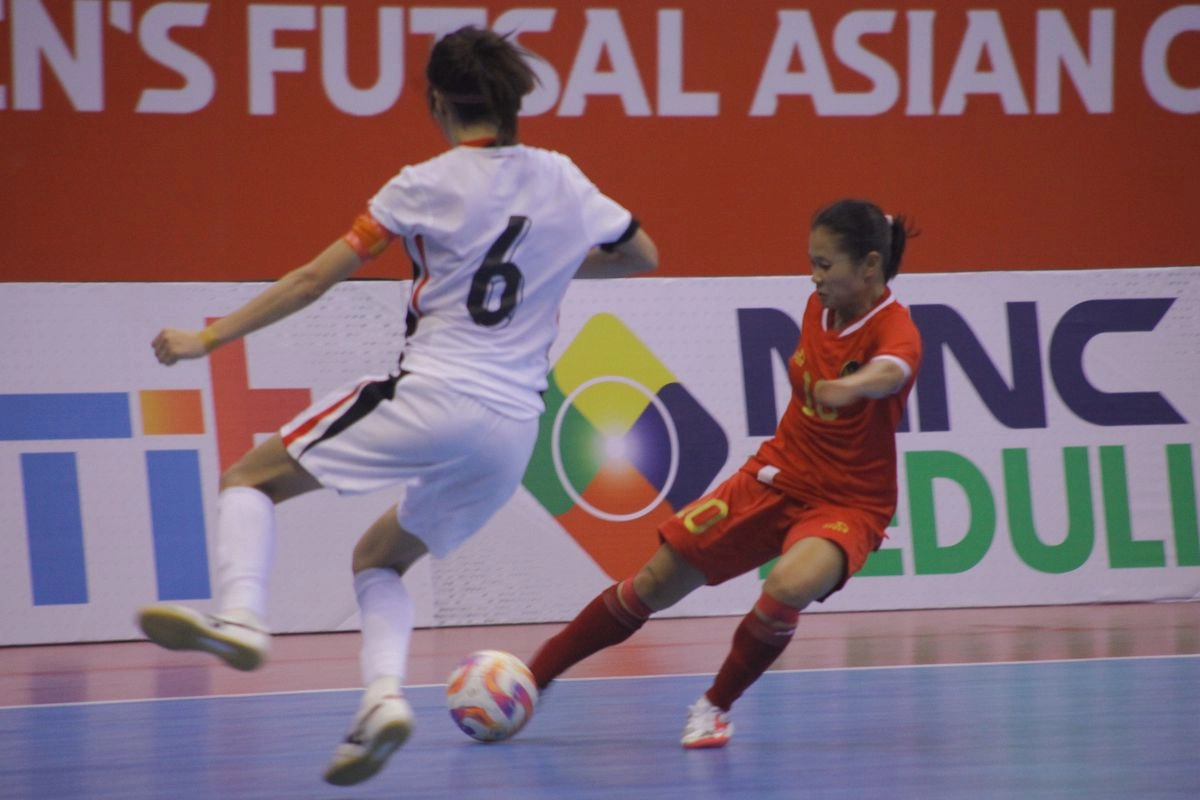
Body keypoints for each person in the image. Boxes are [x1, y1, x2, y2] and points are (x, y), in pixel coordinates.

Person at [137, 25, 657, 787]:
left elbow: (315, 280)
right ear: (513, 104)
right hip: (513, 432)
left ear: (436, 100)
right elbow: (643, 254)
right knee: (379, 561)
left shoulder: (422, 182)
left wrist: (206, 339)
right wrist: (553, 270)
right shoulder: (564, 178)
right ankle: (382, 698)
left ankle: (241, 616)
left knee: (249, 478)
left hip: (435, 392)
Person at [524, 198, 921, 749]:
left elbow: (891, 370)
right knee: (652, 585)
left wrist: (851, 387)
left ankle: (714, 707)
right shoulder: (819, 306)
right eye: (812, 261)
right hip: (776, 475)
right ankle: (532, 678)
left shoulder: (895, 328)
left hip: (848, 503)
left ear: (870, 266)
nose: (815, 275)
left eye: (826, 265)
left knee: (786, 586)